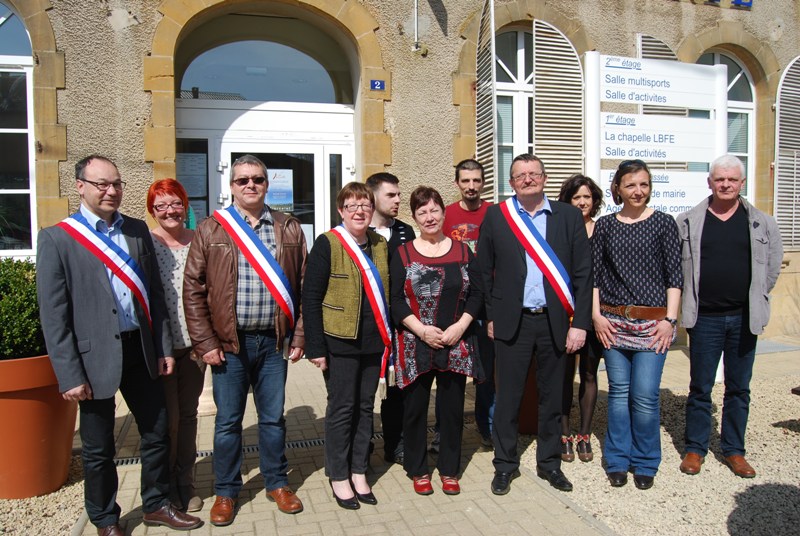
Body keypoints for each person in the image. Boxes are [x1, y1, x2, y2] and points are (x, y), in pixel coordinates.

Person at [36, 155, 202, 535]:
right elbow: (54, 315)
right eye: (101, 184)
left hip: (141, 351)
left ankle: (157, 503)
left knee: (158, 432)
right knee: (98, 450)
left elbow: (155, 296)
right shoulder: (57, 238)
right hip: (92, 359)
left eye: (116, 184)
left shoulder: (136, 230)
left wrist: (162, 348)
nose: (111, 191)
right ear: (80, 186)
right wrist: (68, 374)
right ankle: (105, 518)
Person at [183, 154, 307, 526]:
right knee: (227, 423)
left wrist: (299, 334)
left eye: (257, 179)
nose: (250, 185)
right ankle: (226, 490)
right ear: (231, 186)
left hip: (273, 344)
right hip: (228, 346)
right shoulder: (211, 229)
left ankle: (277, 482)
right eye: (242, 180)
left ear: (267, 185)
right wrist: (205, 342)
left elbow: (303, 286)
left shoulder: (288, 227)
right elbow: (193, 289)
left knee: (273, 420)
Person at [475, 154, 592, 495]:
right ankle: (505, 465)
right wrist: (491, 317)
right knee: (508, 398)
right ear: (511, 183)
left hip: (556, 323)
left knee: (553, 398)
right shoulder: (498, 216)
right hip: (513, 322)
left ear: (544, 178)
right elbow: (484, 272)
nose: (528, 179)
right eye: (520, 175)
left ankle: (549, 464)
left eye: (534, 174)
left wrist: (579, 324)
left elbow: (584, 274)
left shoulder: (568, 217)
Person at [678, 154, 783, 479]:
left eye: (731, 180)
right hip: (705, 319)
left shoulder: (761, 222)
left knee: (739, 388)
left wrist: (756, 295)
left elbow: (772, 267)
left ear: (741, 183)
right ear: (710, 182)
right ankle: (695, 448)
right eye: (719, 179)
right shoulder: (689, 221)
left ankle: (734, 451)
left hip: (743, 318)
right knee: (700, 387)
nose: (725, 184)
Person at [592, 159, 682, 491]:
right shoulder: (605, 226)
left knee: (644, 396)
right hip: (612, 324)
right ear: (618, 188)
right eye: (630, 185)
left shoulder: (663, 223)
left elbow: (675, 277)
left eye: (643, 184)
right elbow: (594, 277)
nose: (638, 191)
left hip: (654, 324)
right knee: (618, 394)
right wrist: (596, 316)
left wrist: (670, 321)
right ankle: (616, 459)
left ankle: (645, 461)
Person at [303, 182, 391, 510]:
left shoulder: (381, 244)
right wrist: (316, 348)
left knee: (366, 407)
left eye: (365, 205)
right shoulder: (327, 244)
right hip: (339, 340)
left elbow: (389, 289)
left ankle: (358, 470)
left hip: (374, 341)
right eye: (351, 206)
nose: (359, 211)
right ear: (341, 210)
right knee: (342, 408)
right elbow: (310, 297)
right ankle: (338, 474)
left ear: (372, 210)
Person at [391, 186, 484, 496]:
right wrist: (421, 330)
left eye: (434, 210)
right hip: (416, 342)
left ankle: (448, 469)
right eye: (422, 212)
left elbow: (477, 294)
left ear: (444, 213)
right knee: (415, 410)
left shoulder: (462, 251)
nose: (429, 217)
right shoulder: (403, 253)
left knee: (451, 410)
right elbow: (395, 300)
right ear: (414, 217)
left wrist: (462, 326)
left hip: (455, 341)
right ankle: (418, 469)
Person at [147, 179, 205, 512]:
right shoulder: (145, 243)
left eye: (176, 203)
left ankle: (187, 480)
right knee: (167, 419)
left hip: (194, 346)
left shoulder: (197, 240)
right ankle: (165, 486)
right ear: (153, 210)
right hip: (163, 348)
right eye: (161, 206)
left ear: (185, 205)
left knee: (188, 415)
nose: (170, 211)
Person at [442, 159, 494, 449]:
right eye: (466, 181)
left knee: (486, 370)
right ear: (457, 184)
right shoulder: (446, 215)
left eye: (476, 181)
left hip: (487, 303)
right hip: (455, 305)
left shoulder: (495, 214)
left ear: (483, 182)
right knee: (452, 371)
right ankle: (446, 430)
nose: (471, 186)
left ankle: (486, 427)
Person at [366, 172, 414, 464]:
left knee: (397, 390)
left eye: (398, 194)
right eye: (391, 195)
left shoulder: (406, 231)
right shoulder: (356, 232)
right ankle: (362, 448)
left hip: (398, 326)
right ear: (373, 197)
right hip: (367, 326)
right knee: (364, 393)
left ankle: (395, 445)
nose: (398, 200)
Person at [557, 174, 605, 463]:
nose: (582, 202)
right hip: (564, 312)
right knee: (563, 376)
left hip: (594, 312)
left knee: (588, 373)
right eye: (576, 197)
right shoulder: (560, 229)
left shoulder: (603, 229)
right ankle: (564, 434)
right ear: (567, 201)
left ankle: (584, 434)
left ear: (595, 200)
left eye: (587, 197)